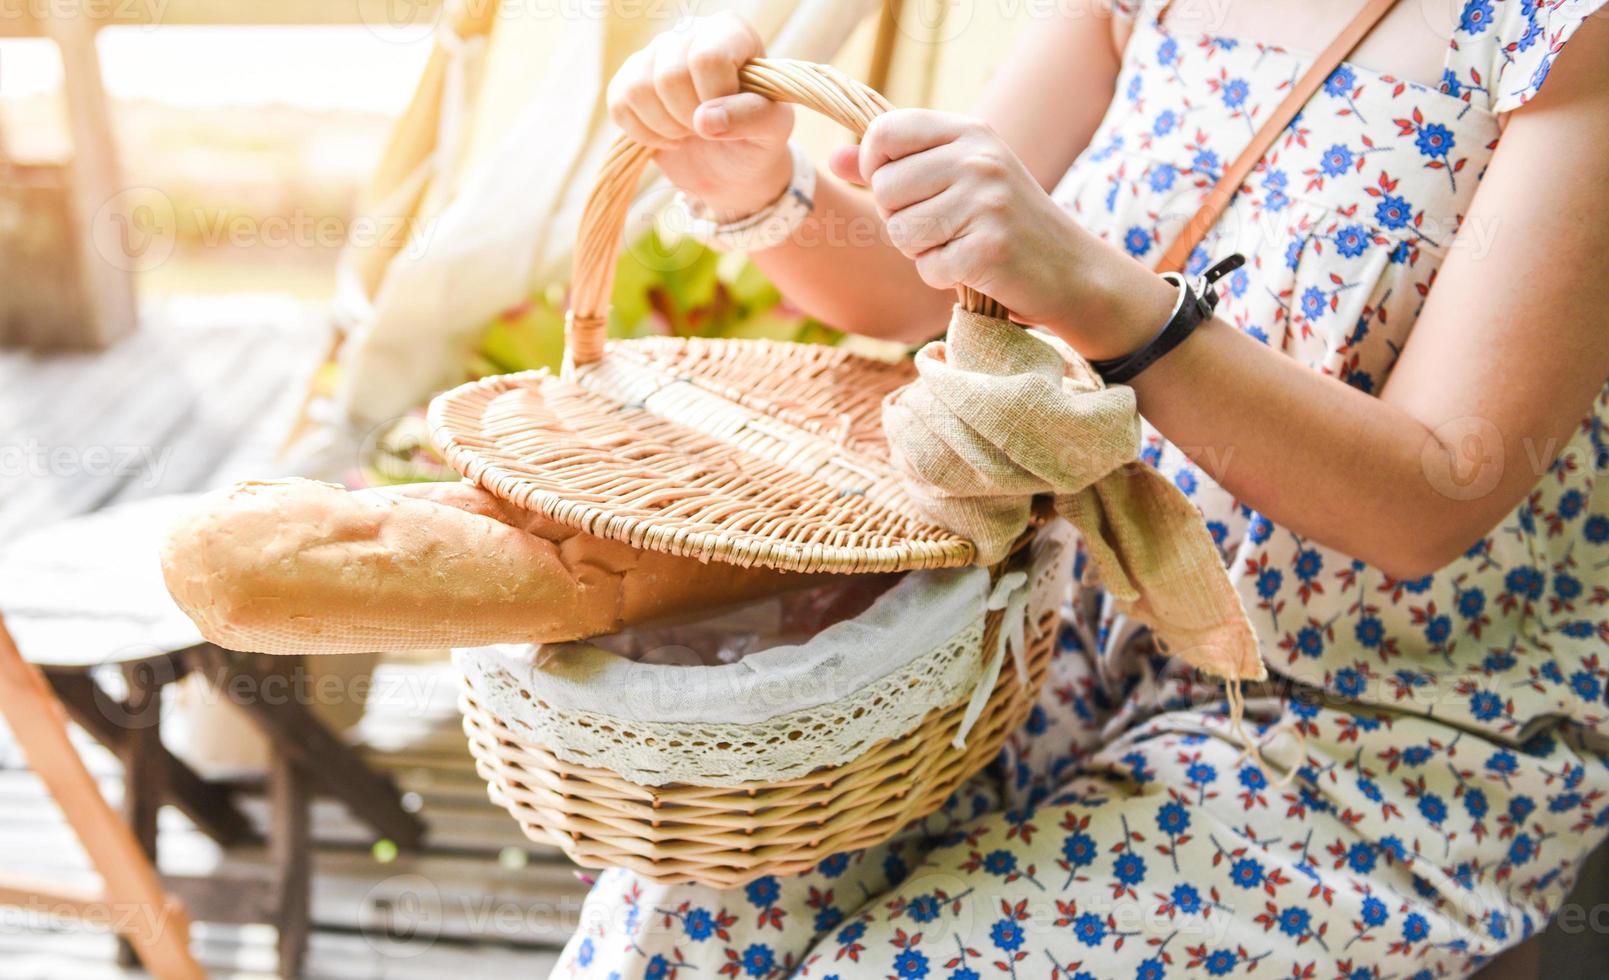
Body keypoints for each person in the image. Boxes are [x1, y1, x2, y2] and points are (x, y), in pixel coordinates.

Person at [555, 1, 1609, 975]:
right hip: (1035, 634)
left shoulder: (1562, 36)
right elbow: (914, 282)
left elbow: (1428, 497)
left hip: (1362, 720)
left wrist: (1092, 289)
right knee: (680, 917)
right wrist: (752, 181)